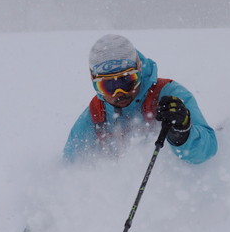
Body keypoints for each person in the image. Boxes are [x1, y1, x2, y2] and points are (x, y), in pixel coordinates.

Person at [63, 34, 217, 164]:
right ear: (93, 81)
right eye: (108, 85)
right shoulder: (96, 115)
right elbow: (68, 168)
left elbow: (208, 150)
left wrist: (182, 134)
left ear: (139, 69)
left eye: (127, 80)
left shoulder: (168, 95)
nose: (119, 92)